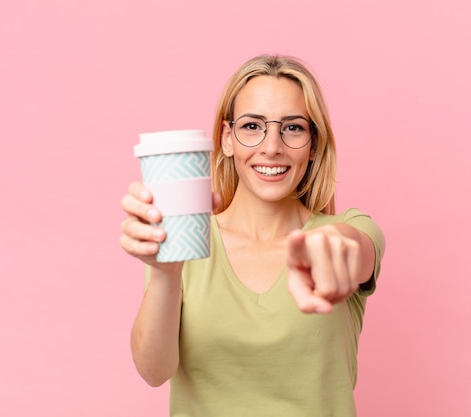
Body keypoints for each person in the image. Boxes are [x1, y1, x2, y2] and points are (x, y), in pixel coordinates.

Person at [120, 54, 386, 416]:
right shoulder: (186, 239)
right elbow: (153, 371)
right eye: (252, 126)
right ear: (227, 139)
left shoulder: (350, 230)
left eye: (292, 128)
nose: (272, 146)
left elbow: (356, 248)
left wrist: (335, 246)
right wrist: (166, 273)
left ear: (313, 145)